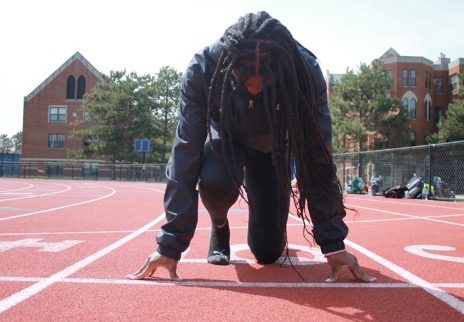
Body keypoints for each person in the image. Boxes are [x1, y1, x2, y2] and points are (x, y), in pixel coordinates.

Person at [126, 11, 376, 283]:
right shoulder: (204, 66)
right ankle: (220, 226)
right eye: (246, 80)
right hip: (227, 139)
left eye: (265, 82)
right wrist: (170, 245)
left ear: (281, 69)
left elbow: (317, 156)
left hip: (273, 148)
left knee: (267, 253)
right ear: (229, 65)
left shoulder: (305, 71)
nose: (255, 90)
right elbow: (186, 148)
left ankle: (268, 226)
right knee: (214, 182)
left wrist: (333, 242)